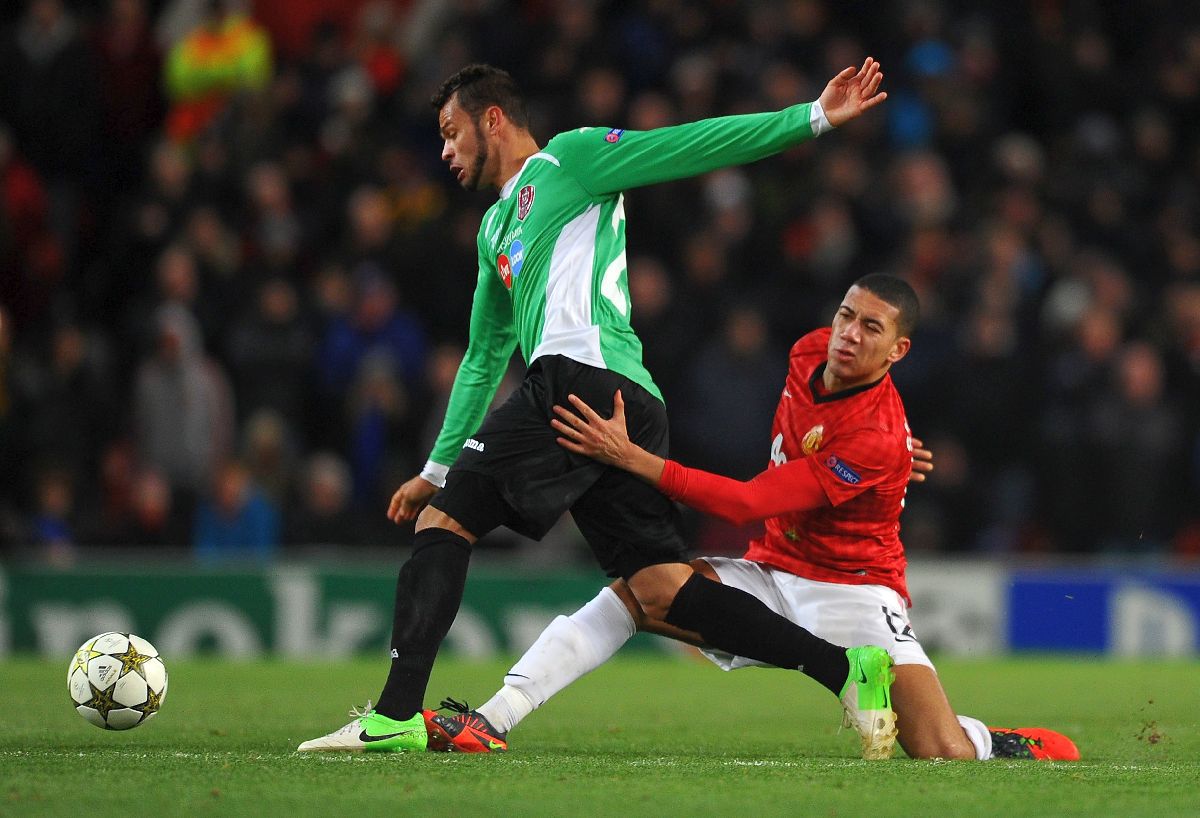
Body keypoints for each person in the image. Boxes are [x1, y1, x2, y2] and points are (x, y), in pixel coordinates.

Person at [299, 60, 899, 758]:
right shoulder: (495, 230)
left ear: (493, 118)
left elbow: (690, 144)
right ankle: (846, 669)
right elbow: (482, 356)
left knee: (446, 521)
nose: (445, 151)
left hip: (583, 378)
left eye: (451, 132)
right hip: (612, 405)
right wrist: (437, 463)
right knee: (657, 588)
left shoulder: (572, 159)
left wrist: (813, 117)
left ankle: (395, 716)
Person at [423, 275, 1079, 761]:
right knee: (640, 590)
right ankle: (494, 717)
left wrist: (632, 458)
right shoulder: (808, 354)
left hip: (855, 587)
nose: (849, 334)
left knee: (939, 753)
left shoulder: (877, 437)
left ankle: (994, 738)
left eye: (871, 329)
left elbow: (745, 502)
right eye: (847, 316)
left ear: (898, 350)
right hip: (772, 568)